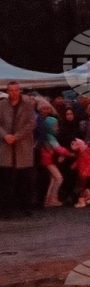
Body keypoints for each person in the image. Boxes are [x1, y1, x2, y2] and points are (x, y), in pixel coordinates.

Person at [0, 82, 37, 216]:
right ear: (7, 91)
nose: (13, 93)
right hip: (6, 146)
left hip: (22, 146)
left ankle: (25, 207)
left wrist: (16, 136)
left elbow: (32, 123)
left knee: (24, 181)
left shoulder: (27, 104)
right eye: (11, 90)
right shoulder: (2, 104)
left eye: (16, 90)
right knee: (5, 181)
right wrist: (5, 135)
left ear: (19, 91)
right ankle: (5, 210)